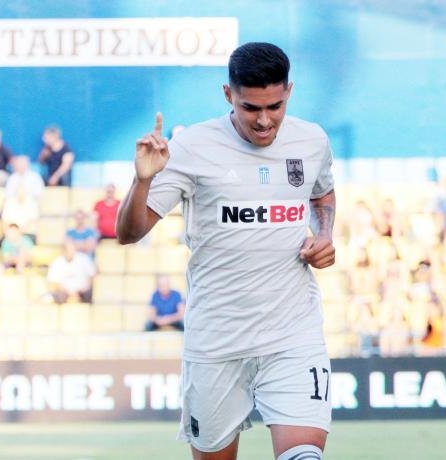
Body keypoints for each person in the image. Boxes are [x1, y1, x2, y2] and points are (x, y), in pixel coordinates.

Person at [116, 42, 336, 460]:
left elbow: (322, 193)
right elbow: (129, 232)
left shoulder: (312, 140)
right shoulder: (191, 147)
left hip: (293, 335)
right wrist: (142, 181)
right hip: (217, 341)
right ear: (227, 94)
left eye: (275, 106)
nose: (264, 120)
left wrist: (324, 234)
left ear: (289, 92)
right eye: (250, 107)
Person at [47, 240, 96, 304]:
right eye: (68, 249)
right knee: (57, 296)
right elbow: (53, 282)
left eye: (72, 249)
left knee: (90, 294)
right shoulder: (57, 262)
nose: (71, 252)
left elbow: (92, 276)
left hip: (82, 292)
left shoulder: (84, 259)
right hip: (64, 293)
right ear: (63, 250)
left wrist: (81, 291)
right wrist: (68, 292)